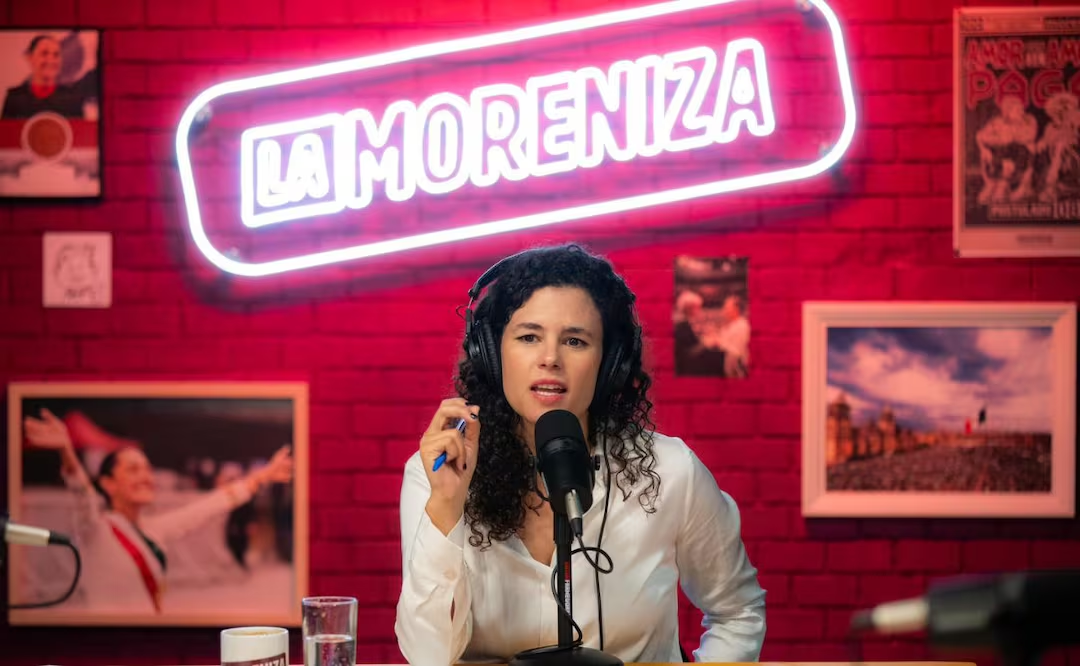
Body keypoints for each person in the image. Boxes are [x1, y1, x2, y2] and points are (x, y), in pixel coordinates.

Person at [395, 243, 766, 664]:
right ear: (493, 354)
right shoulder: (437, 473)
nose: (550, 358)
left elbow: (738, 611)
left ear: (609, 364)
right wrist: (446, 506)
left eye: (575, 340)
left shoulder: (670, 471)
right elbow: (426, 654)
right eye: (529, 337)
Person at [21, 408, 293, 613]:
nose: (145, 477)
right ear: (108, 483)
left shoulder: (155, 529)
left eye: (147, 469)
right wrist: (66, 452)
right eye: (133, 469)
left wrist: (263, 476)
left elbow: (209, 506)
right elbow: (82, 494)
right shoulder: (95, 528)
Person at [1, 35, 91, 120]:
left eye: (56, 55)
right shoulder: (15, 98)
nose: (50, 60)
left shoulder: (72, 98)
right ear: (30, 57)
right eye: (44, 53)